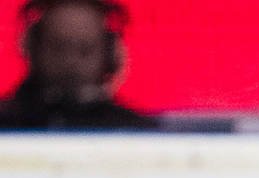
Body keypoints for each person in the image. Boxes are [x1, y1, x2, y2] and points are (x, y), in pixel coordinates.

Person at [0, 0, 153, 130]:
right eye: (58, 48)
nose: (70, 61)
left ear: (109, 54)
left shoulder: (135, 132)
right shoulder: (6, 121)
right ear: (33, 46)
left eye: (85, 50)